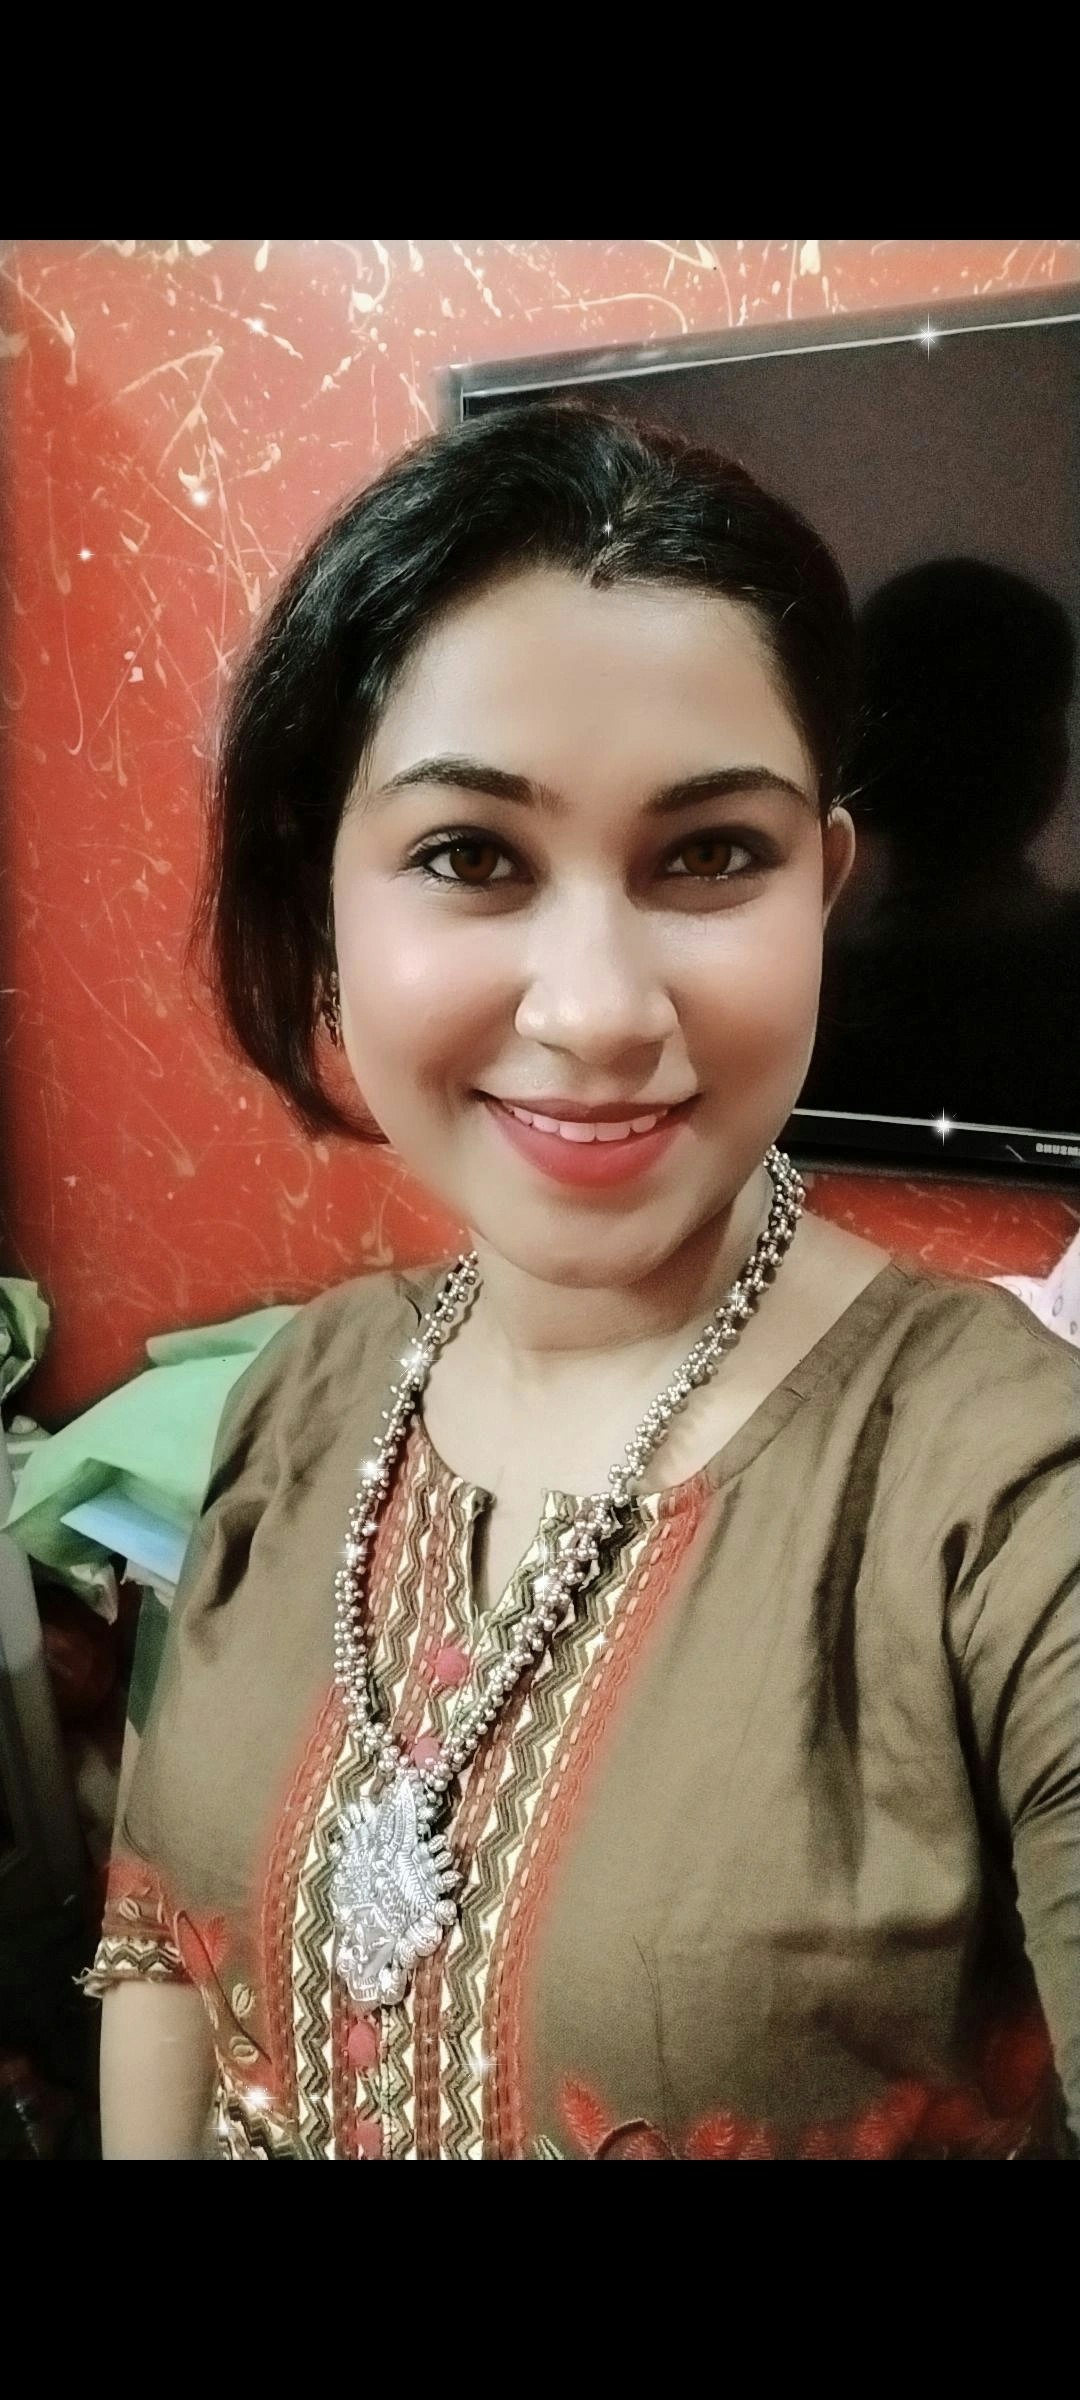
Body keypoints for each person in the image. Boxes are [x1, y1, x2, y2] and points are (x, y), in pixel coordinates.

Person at [88, 403, 1079, 2159]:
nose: (601, 1010)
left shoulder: (1010, 1498)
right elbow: (160, 1943)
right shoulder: (307, 1387)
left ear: (826, 885)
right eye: (471, 856)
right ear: (326, 903)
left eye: (712, 855)